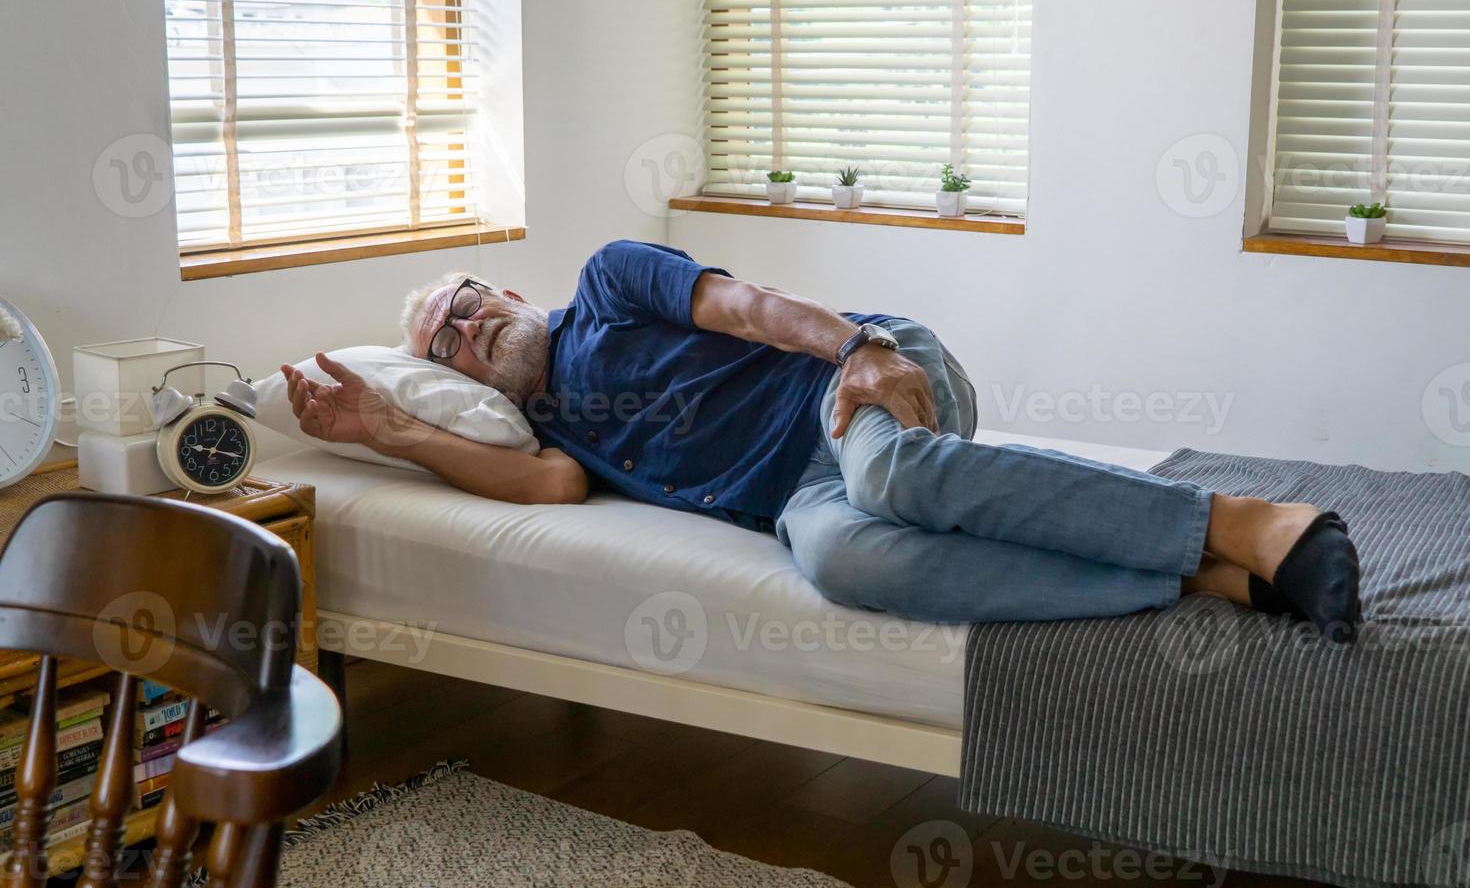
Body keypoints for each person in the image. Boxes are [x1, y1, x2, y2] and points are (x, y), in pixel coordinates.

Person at [281, 240, 1360, 640]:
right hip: (800, 494)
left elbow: (749, 305)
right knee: (848, 553)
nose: (471, 332)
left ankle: (1250, 516)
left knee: (890, 476)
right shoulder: (546, 425)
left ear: (505, 287)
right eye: (449, 345)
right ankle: (1196, 577)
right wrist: (388, 428)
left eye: (470, 306)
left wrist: (866, 347)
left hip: (853, 389)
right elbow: (550, 487)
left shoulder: (609, 284)